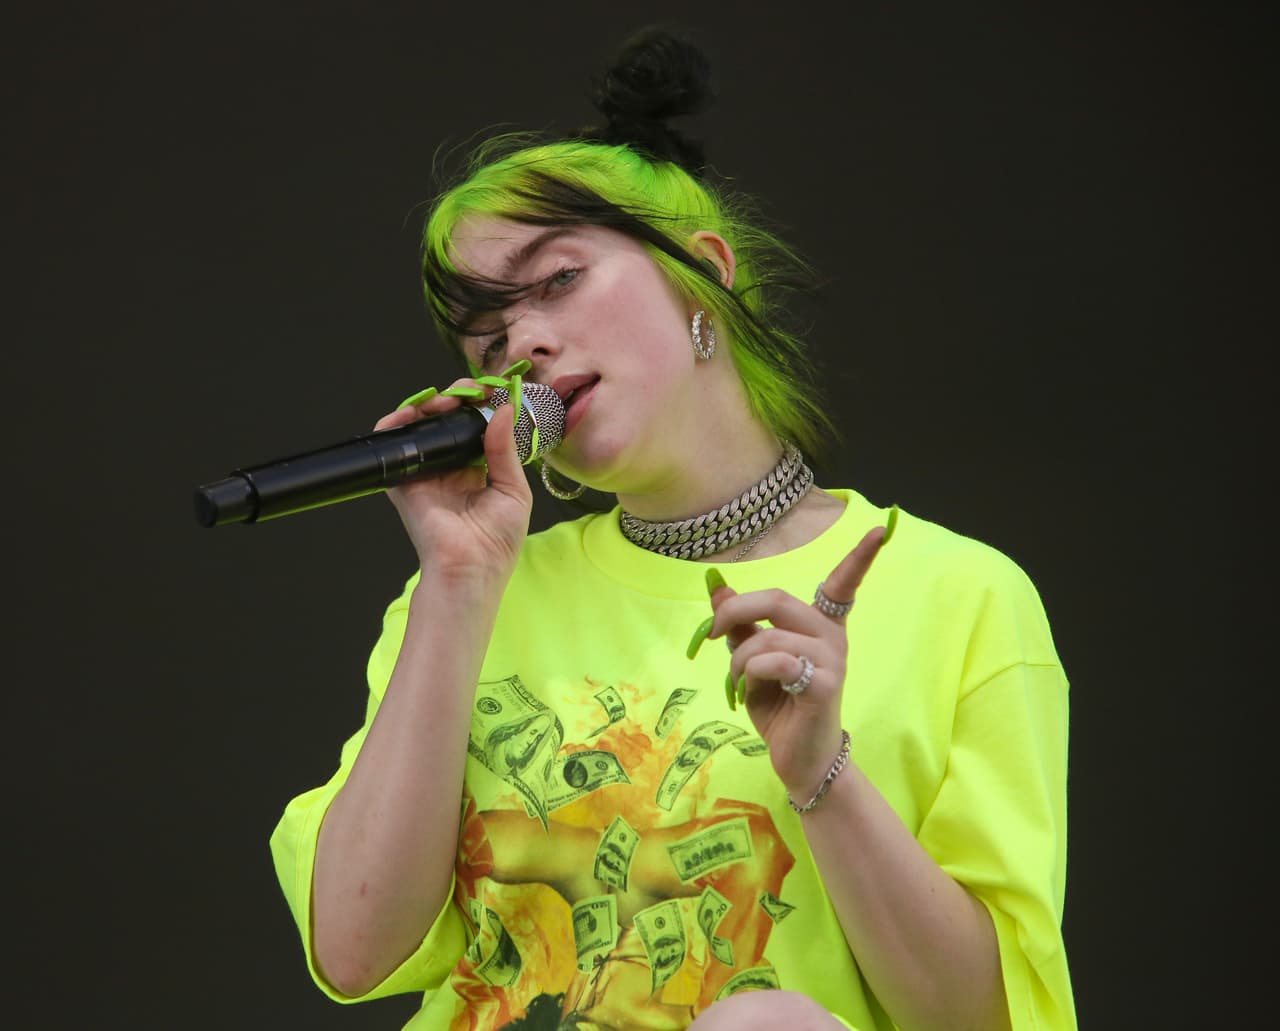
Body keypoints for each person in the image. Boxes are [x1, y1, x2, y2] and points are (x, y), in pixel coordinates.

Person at [269, 27, 1076, 1031]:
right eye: (486, 331)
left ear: (704, 276)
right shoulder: (467, 594)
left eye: (557, 279)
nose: (519, 340)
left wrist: (819, 771)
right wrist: (458, 586)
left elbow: (981, 1017)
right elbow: (353, 950)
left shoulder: (959, 595)